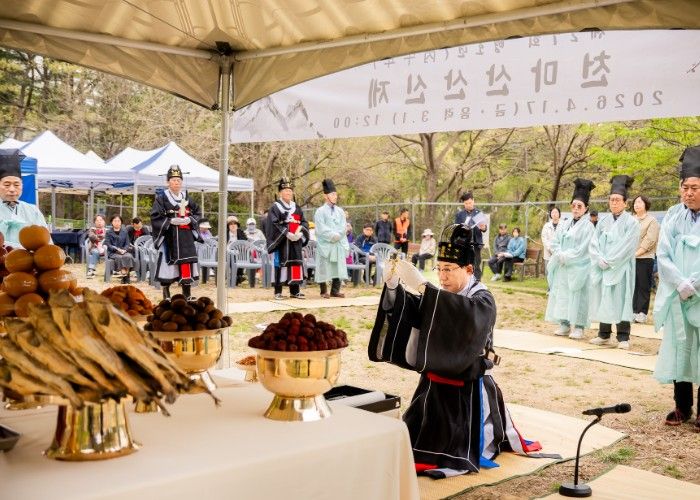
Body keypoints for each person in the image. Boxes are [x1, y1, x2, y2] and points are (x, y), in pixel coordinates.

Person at [369, 224, 540, 476]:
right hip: (433, 384)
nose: (442, 276)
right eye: (439, 269)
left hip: (468, 387)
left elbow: (461, 314)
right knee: (410, 442)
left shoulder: (483, 299)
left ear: (468, 269)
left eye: (448, 269)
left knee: (449, 449)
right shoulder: (442, 296)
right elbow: (422, 311)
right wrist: (394, 288)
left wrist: (425, 288)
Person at [653, 145, 700, 429]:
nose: (688, 193)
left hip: (698, 289)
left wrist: (694, 283)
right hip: (677, 292)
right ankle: (682, 405)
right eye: (685, 187)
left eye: (694, 187)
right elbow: (663, 252)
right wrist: (679, 282)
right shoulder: (673, 214)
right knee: (680, 344)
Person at [589, 175, 640, 350]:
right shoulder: (603, 221)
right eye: (611, 199)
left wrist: (610, 261)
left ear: (625, 203)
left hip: (620, 267)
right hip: (604, 266)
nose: (614, 203)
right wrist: (599, 258)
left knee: (621, 299)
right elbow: (594, 242)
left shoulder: (632, 223)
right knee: (605, 298)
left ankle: (623, 336)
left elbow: (628, 247)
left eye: (618, 200)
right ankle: (603, 334)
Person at [545, 179, 596, 339]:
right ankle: (564, 324)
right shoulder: (564, 224)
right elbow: (555, 242)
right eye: (573, 206)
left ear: (586, 208)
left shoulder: (588, 227)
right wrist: (559, 253)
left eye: (579, 206)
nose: (576, 209)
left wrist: (565, 256)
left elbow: (583, 249)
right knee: (563, 295)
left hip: (579, 267)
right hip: (563, 266)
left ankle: (579, 326)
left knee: (579, 296)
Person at [150, 165, 202, 300]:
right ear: (168, 182)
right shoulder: (161, 198)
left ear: (182, 182)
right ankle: (166, 293)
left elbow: (198, 213)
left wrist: (190, 220)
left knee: (186, 262)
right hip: (170, 236)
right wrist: (170, 221)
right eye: (173, 180)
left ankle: (187, 293)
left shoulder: (187, 198)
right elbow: (155, 216)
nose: (176, 182)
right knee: (167, 264)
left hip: (186, 237)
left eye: (179, 180)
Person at [265, 177, 310, 300]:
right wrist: (286, 233)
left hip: (295, 241)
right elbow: (273, 224)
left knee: (295, 263)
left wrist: (300, 232)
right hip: (282, 241)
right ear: (280, 192)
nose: (288, 193)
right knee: (280, 264)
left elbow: (304, 222)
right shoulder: (275, 207)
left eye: (290, 190)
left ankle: (295, 291)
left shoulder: (297, 207)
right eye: (285, 190)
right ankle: (278, 291)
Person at [0, 149, 48, 248]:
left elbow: (45, 242)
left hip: (28, 258)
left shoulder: (33, 211)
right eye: (7, 185)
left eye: (16, 185)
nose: (12, 189)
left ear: (22, 186)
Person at [314, 178, 350, 298]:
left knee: (338, 266)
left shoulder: (340, 211)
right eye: (332, 194)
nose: (335, 196)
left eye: (336, 194)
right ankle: (323, 290)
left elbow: (343, 225)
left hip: (338, 242)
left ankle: (335, 290)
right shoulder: (320, 211)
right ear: (325, 196)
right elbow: (321, 228)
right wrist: (333, 235)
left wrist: (339, 235)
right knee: (324, 266)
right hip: (326, 243)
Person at [632, 195, 660, 324]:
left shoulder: (652, 221)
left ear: (646, 204)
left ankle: (642, 313)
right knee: (633, 285)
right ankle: (633, 311)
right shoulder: (631, 220)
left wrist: (636, 253)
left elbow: (650, 240)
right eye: (635, 202)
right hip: (631, 258)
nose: (636, 204)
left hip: (645, 258)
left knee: (643, 285)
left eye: (639, 202)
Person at [454, 191, 488, 280]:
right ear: (463, 203)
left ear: (473, 201)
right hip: (463, 243)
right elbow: (456, 229)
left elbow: (484, 229)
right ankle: (465, 282)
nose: (468, 205)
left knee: (476, 264)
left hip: (476, 243)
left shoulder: (479, 213)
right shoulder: (459, 214)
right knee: (464, 264)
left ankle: (477, 283)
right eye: (466, 203)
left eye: (470, 202)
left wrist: (483, 227)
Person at [105, 214, 136, 284]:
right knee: (120, 257)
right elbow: (108, 244)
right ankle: (125, 275)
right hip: (113, 252)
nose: (117, 222)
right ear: (112, 222)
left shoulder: (125, 231)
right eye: (115, 221)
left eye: (118, 221)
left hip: (123, 251)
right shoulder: (108, 232)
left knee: (129, 256)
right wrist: (117, 249)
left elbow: (127, 243)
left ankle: (125, 275)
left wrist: (124, 250)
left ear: (121, 222)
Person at [226, 216, 248, 285]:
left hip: (239, 253)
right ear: (228, 226)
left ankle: (237, 276)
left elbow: (245, 243)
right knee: (231, 256)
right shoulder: (225, 233)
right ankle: (236, 277)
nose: (233, 225)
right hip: (227, 253)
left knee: (240, 255)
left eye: (235, 223)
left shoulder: (241, 232)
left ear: (237, 225)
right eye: (231, 224)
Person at [541, 207, 561, 277]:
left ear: (559, 214)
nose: (554, 214)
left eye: (556, 212)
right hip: (548, 252)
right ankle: (549, 284)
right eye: (553, 212)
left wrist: (557, 249)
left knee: (559, 273)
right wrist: (550, 248)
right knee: (549, 272)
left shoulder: (563, 225)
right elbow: (544, 238)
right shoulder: (546, 226)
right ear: (550, 214)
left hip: (559, 252)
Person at [86, 214, 107, 278]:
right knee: (95, 252)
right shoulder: (92, 229)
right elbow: (91, 236)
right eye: (97, 220)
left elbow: (110, 239)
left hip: (105, 249)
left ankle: (114, 270)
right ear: (94, 222)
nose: (99, 222)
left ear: (104, 221)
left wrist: (100, 237)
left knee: (112, 252)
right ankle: (91, 269)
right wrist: (101, 237)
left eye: (101, 220)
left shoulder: (107, 230)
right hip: (95, 247)